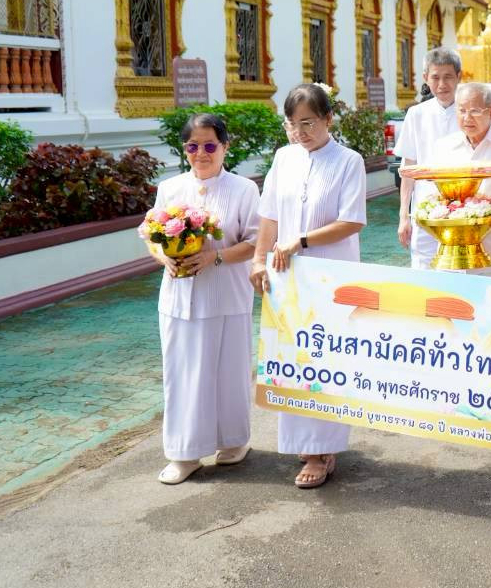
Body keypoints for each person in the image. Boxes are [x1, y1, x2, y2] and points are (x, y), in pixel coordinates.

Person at [251, 84, 367, 488]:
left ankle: (323, 450)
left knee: (325, 360)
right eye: (292, 124)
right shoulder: (284, 158)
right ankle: (303, 442)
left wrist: (301, 241)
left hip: (331, 278)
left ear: (328, 119)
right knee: (294, 359)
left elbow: (351, 220)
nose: (300, 132)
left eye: (308, 123)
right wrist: (257, 259)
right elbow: (268, 215)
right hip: (287, 277)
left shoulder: (348, 161)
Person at [149, 113, 260, 485]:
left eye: (210, 145)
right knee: (182, 376)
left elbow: (255, 241)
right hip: (179, 298)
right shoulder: (170, 188)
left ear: (225, 147)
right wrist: (164, 256)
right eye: (193, 146)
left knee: (229, 372)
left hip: (227, 294)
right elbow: (150, 233)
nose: (202, 153)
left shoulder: (244, 189)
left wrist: (214, 257)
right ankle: (184, 453)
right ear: (185, 150)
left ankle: (234, 441)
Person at [427, 82, 491, 277]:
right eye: (462, 110)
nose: (467, 118)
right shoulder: (443, 146)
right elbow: (434, 193)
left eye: (474, 111)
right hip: (452, 253)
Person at [395, 48, 461, 269]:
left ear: (459, 77)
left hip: (463, 208)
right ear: (426, 78)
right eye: (435, 77)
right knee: (424, 269)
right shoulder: (417, 114)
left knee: (461, 269)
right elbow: (408, 166)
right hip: (425, 209)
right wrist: (404, 215)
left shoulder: (468, 112)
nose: (442, 84)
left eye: (448, 77)